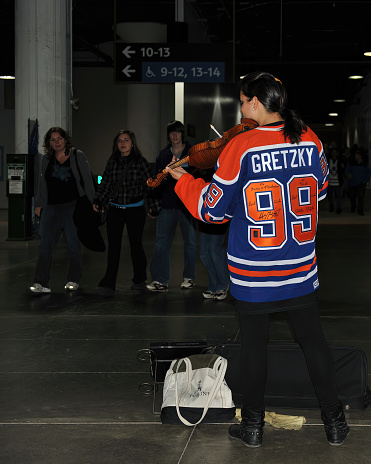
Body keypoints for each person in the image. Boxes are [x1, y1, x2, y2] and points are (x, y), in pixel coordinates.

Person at [166, 72, 349, 447]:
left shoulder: (242, 146)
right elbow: (322, 190)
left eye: (241, 100)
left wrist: (184, 179)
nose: (240, 107)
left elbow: (212, 211)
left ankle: (252, 428)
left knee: (254, 349)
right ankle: (335, 424)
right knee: (315, 345)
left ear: (253, 102)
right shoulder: (308, 137)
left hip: (255, 271)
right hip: (299, 266)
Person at [28, 127, 95, 294]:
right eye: (53, 140)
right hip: (51, 207)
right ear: (49, 143)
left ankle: (73, 279)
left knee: (73, 244)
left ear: (65, 139)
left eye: (59, 138)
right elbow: (42, 184)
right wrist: (39, 203)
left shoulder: (77, 156)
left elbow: (87, 181)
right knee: (45, 244)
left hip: (72, 206)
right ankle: (41, 282)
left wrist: (93, 202)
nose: (56, 142)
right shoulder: (46, 159)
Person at [93, 129, 159, 297]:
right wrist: (98, 200)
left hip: (135, 210)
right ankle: (108, 284)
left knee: (136, 246)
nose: (122, 143)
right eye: (119, 141)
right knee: (113, 247)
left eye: (126, 140)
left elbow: (149, 185)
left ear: (132, 143)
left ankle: (139, 281)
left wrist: (154, 206)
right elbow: (106, 184)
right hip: (115, 210)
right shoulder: (112, 162)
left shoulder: (140, 162)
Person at [146, 120, 198, 292]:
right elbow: (155, 182)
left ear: (182, 134)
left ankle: (189, 277)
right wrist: (154, 205)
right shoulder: (163, 156)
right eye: (172, 133)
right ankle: (160, 280)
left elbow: (200, 176)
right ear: (168, 135)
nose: (175, 136)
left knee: (190, 243)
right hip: (168, 205)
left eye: (178, 132)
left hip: (187, 205)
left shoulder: (192, 154)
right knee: (162, 243)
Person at [345, 148, 371, 215]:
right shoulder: (351, 162)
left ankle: (360, 210)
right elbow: (347, 170)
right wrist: (348, 175)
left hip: (361, 183)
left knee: (361, 197)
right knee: (352, 197)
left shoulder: (364, 163)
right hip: (352, 182)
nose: (357, 156)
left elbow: (368, 172)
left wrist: (365, 180)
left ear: (361, 156)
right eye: (356, 155)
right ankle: (353, 208)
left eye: (358, 155)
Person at [327, 148, 343, 214]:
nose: (334, 154)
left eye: (335, 152)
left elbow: (341, 170)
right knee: (330, 196)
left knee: (338, 196)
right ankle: (331, 206)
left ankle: (339, 208)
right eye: (333, 152)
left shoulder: (339, 161)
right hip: (330, 181)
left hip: (337, 181)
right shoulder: (328, 160)